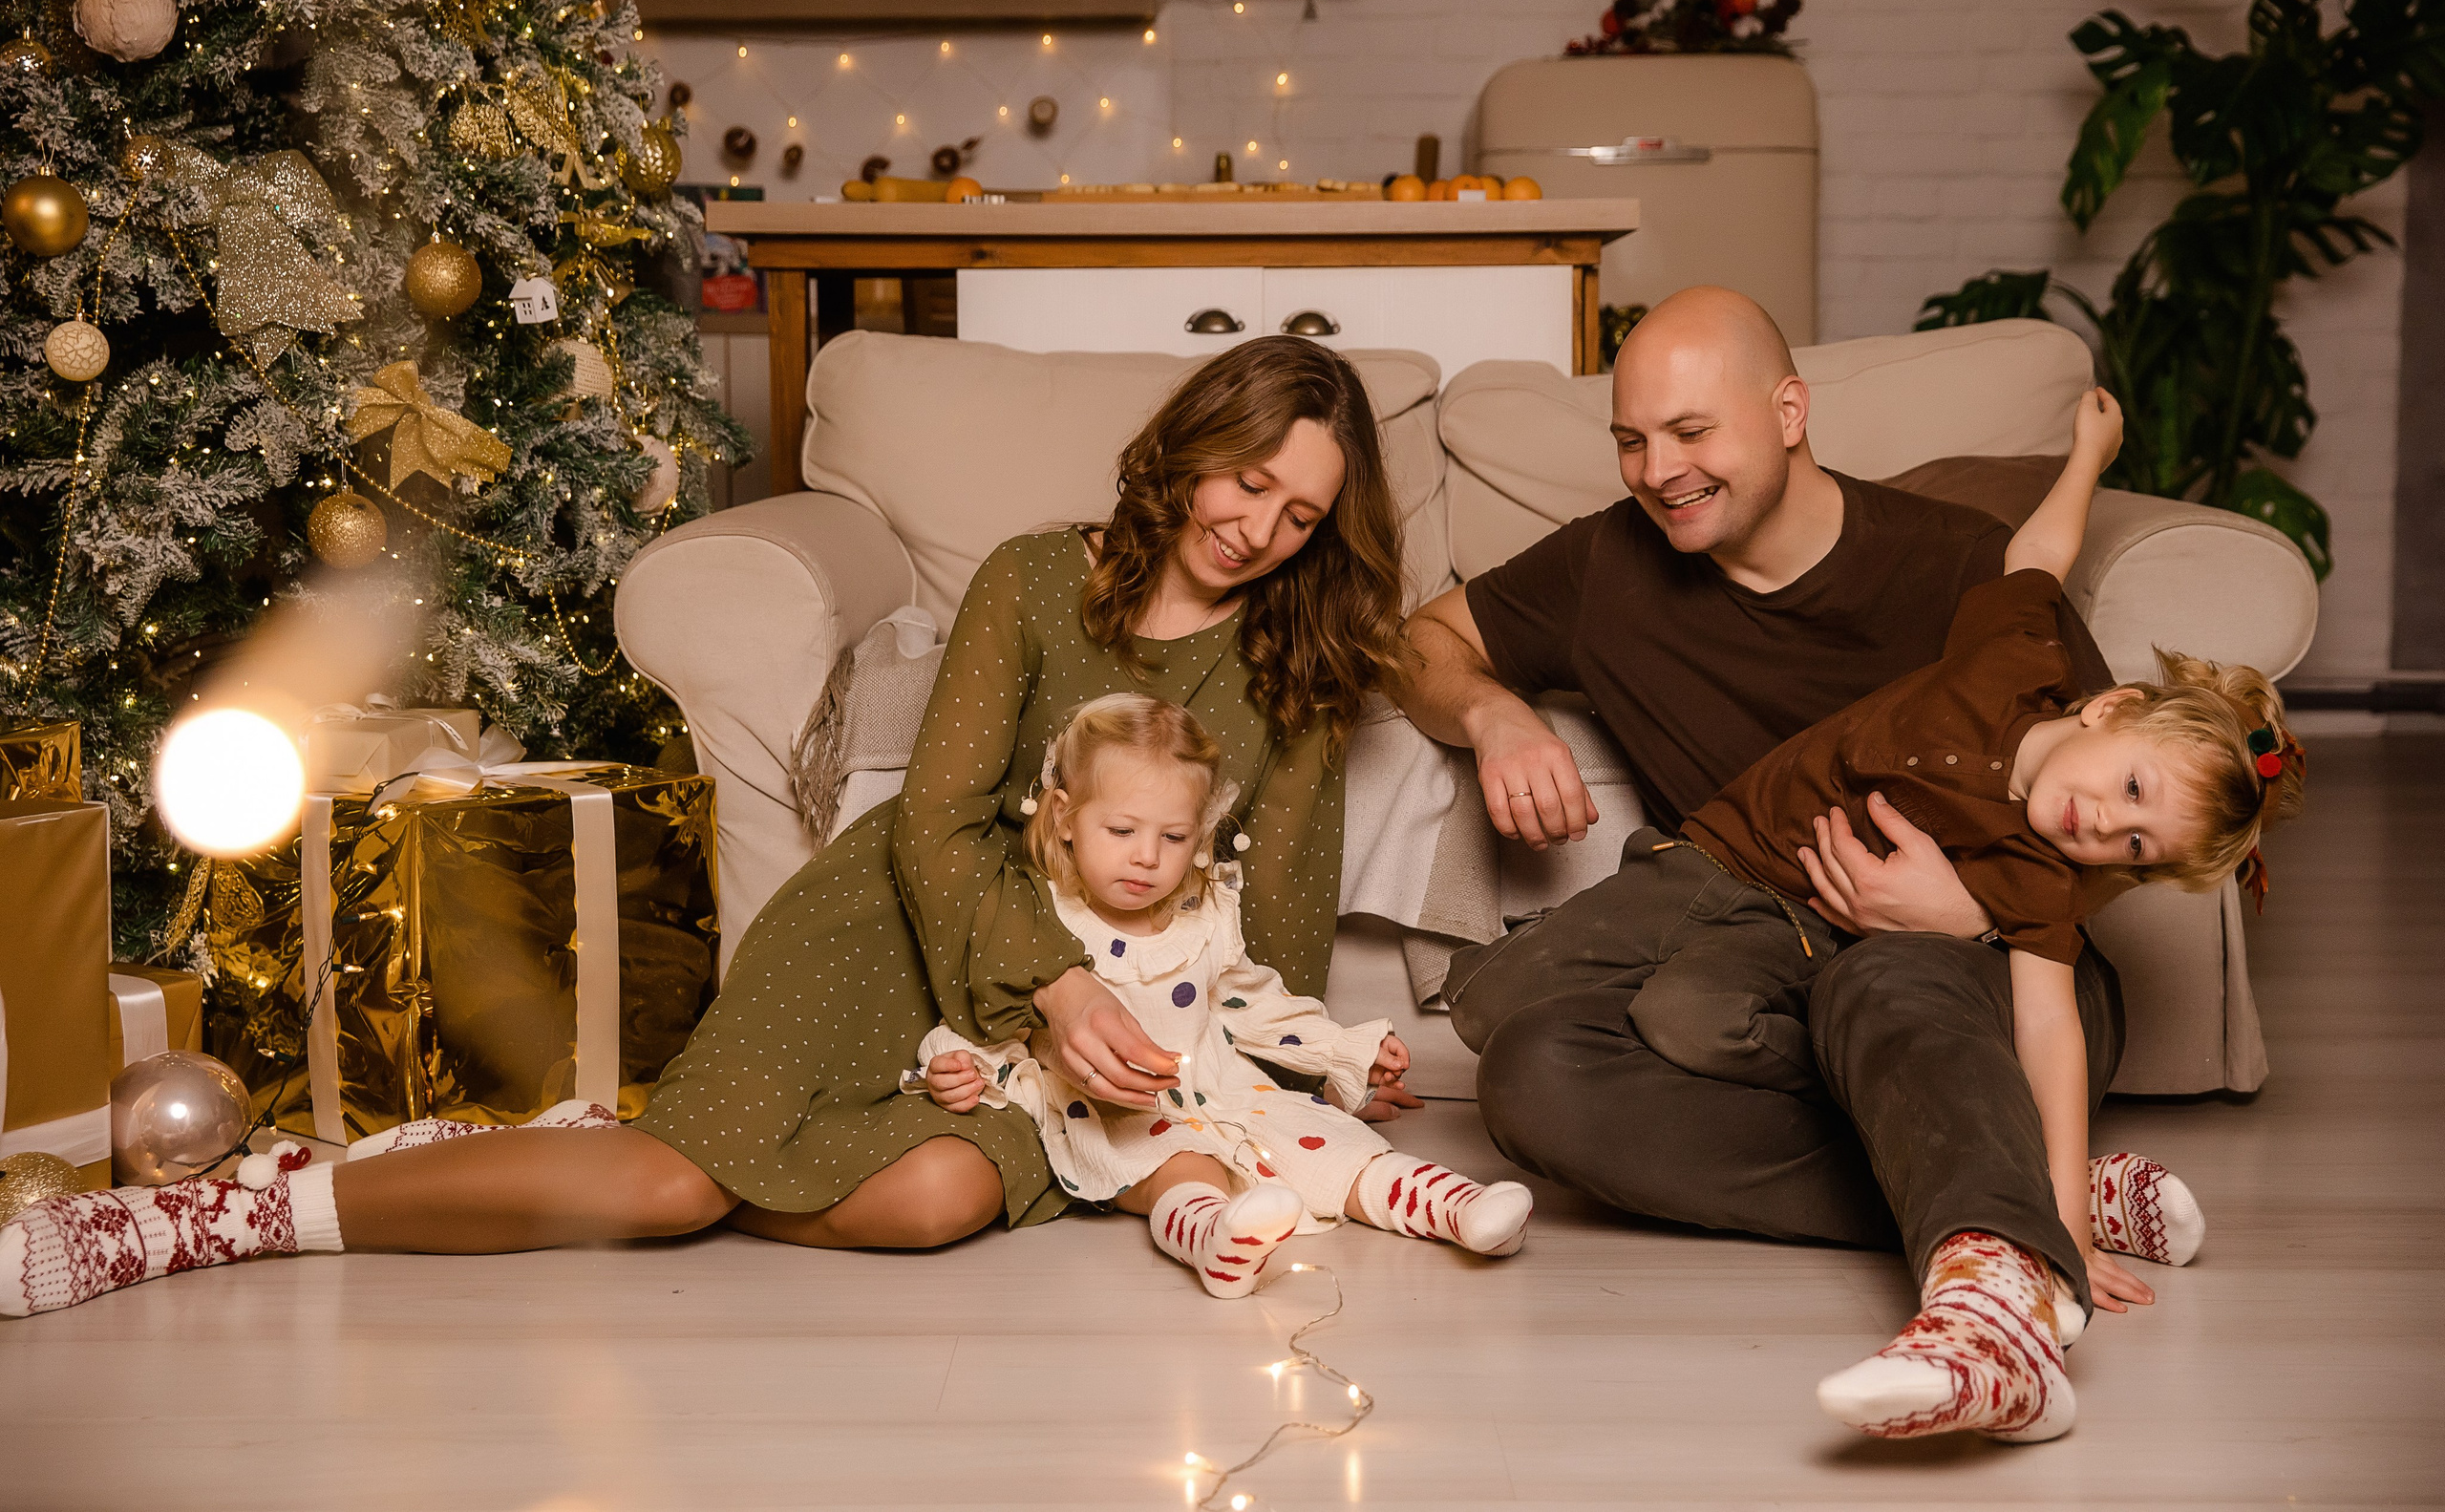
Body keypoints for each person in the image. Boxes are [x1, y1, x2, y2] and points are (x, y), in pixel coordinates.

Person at [1, 336, 1415, 1318]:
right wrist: (1050, 973)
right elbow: (934, 819)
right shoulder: (1040, 575)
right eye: (1247, 481)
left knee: (929, 1204)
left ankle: (528, 1154)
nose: (1260, 529)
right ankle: (219, 1214)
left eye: (1300, 516)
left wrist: (1265, 1073)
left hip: (1057, 1057)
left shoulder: (1298, 665)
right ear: (1194, 449)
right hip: (901, 932)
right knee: (673, 1185)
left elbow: (1274, 920)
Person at [1390, 285, 2190, 1439]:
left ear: (1788, 411)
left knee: (1884, 971)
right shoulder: (1609, 568)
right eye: (1630, 440)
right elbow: (1418, 642)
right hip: (1749, 957)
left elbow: (2110, 823)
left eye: (1692, 432)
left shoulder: (1960, 564)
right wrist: (1492, 715)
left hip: (1991, 979)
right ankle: (2014, 1187)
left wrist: (1957, 911)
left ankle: (2001, 1289)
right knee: (1530, 1075)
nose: (1658, 470)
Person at [917, 692, 1533, 1298]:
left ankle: (1460, 1210)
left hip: (1228, 1089)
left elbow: (1251, 1004)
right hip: (1121, 1116)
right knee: (1183, 1168)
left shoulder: (1203, 915)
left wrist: (1341, 1050)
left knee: (1334, 1147)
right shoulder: (1043, 922)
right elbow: (999, 1013)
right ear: (1063, 817)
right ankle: (1217, 1242)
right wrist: (959, 1066)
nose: (1147, 857)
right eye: (1122, 829)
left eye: (1175, 837)